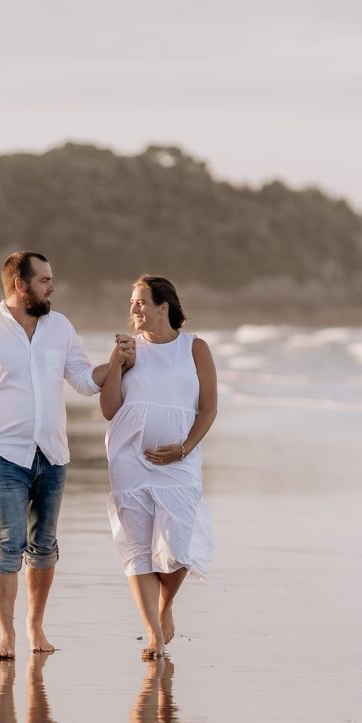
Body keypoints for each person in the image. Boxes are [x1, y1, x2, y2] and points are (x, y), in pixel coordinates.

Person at [0, 252, 134, 660]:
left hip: (52, 453)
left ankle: (35, 625)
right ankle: (5, 634)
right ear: (21, 285)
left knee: (44, 546)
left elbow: (87, 382)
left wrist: (118, 363)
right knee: (8, 544)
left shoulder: (60, 328)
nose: (52, 287)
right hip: (2, 454)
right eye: (45, 280)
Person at [99, 275, 217, 659]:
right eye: (132, 302)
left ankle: (164, 608)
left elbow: (209, 409)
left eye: (140, 302)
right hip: (129, 460)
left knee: (177, 547)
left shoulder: (194, 348)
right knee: (138, 550)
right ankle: (152, 633)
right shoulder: (129, 350)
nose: (134, 308)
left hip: (178, 463)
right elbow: (109, 409)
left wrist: (183, 448)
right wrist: (117, 363)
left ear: (163, 306)